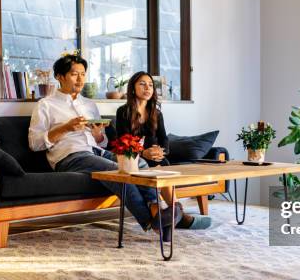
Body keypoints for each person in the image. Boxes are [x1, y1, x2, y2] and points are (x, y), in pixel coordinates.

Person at [28, 54, 181, 238]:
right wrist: (66, 128)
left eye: (83, 74)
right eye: (74, 74)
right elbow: (34, 144)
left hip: (96, 151)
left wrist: (98, 135)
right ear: (60, 77)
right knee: (119, 171)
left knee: (138, 163)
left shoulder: (89, 104)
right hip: (71, 156)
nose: (80, 79)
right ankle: (153, 219)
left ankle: (156, 209)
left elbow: (103, 142)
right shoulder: (45, 105)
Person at [116, 71, 211, 230]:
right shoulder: (123, 112)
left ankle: (175, 212)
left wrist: (161, 151)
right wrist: (143, 152)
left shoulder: (156, 113)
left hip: (157, 158)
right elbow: (123, 143)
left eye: (151, 85)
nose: (147, 88)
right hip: (134, 160)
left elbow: (164, 139)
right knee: (159, 170)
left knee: (162, 166)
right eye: (142, 84)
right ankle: (179, 213)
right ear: (132, 88)